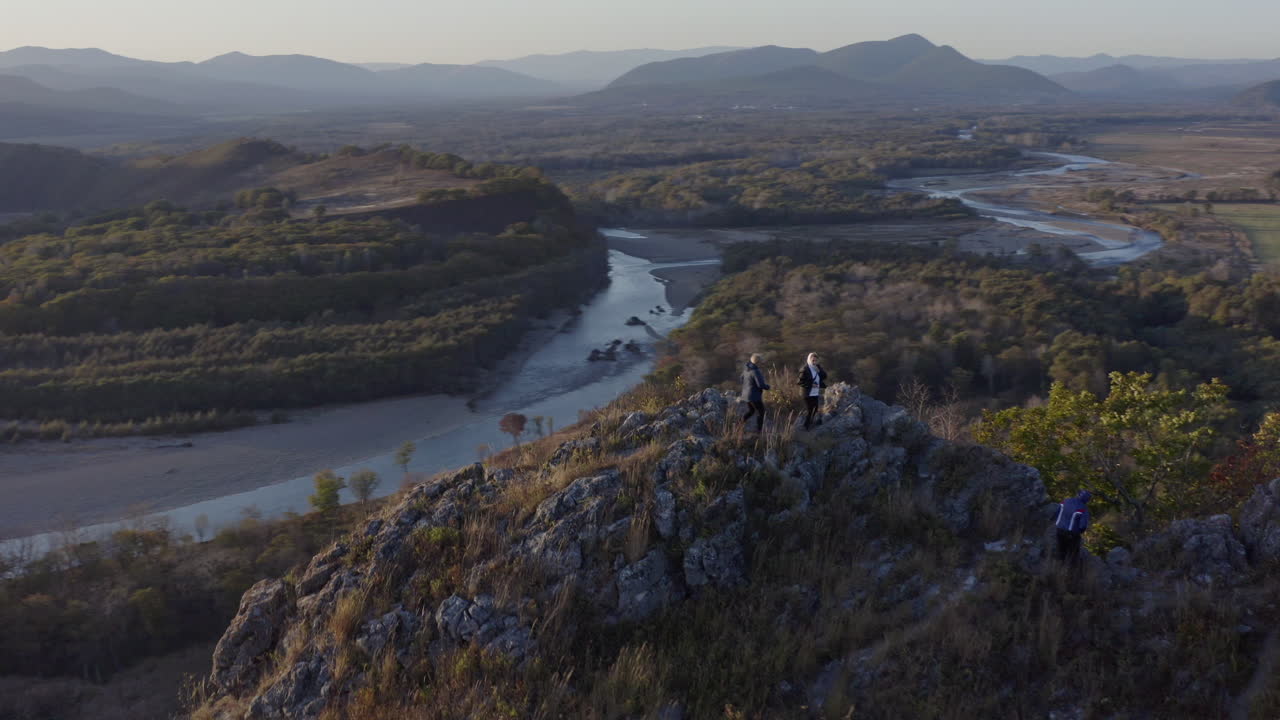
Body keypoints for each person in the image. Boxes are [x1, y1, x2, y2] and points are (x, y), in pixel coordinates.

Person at [1054, 490, 1092, 564]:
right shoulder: (1083, 508)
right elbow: (1083, 525)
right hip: (1072, 534)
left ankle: (1058, 568)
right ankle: (1069, 572)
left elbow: (1057, 512)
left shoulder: (1066, 501)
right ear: (1087, 499)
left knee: (1061, 551)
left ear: (1078, 494)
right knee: (1073, 555)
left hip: (1059, 530)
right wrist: (1079, 532)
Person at [797, 352, 827, 430]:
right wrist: (811, 385)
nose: (814, 362)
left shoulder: (817, 367)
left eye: (815, 360)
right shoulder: (805, 369)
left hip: (815, 392)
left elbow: (825, 376)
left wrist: (819, 370)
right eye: (812, 360)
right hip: (806, 393)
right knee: (810, 409)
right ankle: (805, 426)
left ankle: (809, 424)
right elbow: (800, 382)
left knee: (815, 408)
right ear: (809, 359)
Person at [741, 353, 770, 432]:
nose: (762, 363)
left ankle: (740, 423)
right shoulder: (755, 371)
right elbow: (760, 385)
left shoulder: (746, 369)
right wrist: (767, 387)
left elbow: (742, 379)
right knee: (761, 412)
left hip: (746, 395)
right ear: (758, 362)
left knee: (752, 411)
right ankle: (759, 431)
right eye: (761, 362)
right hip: (754, 396)